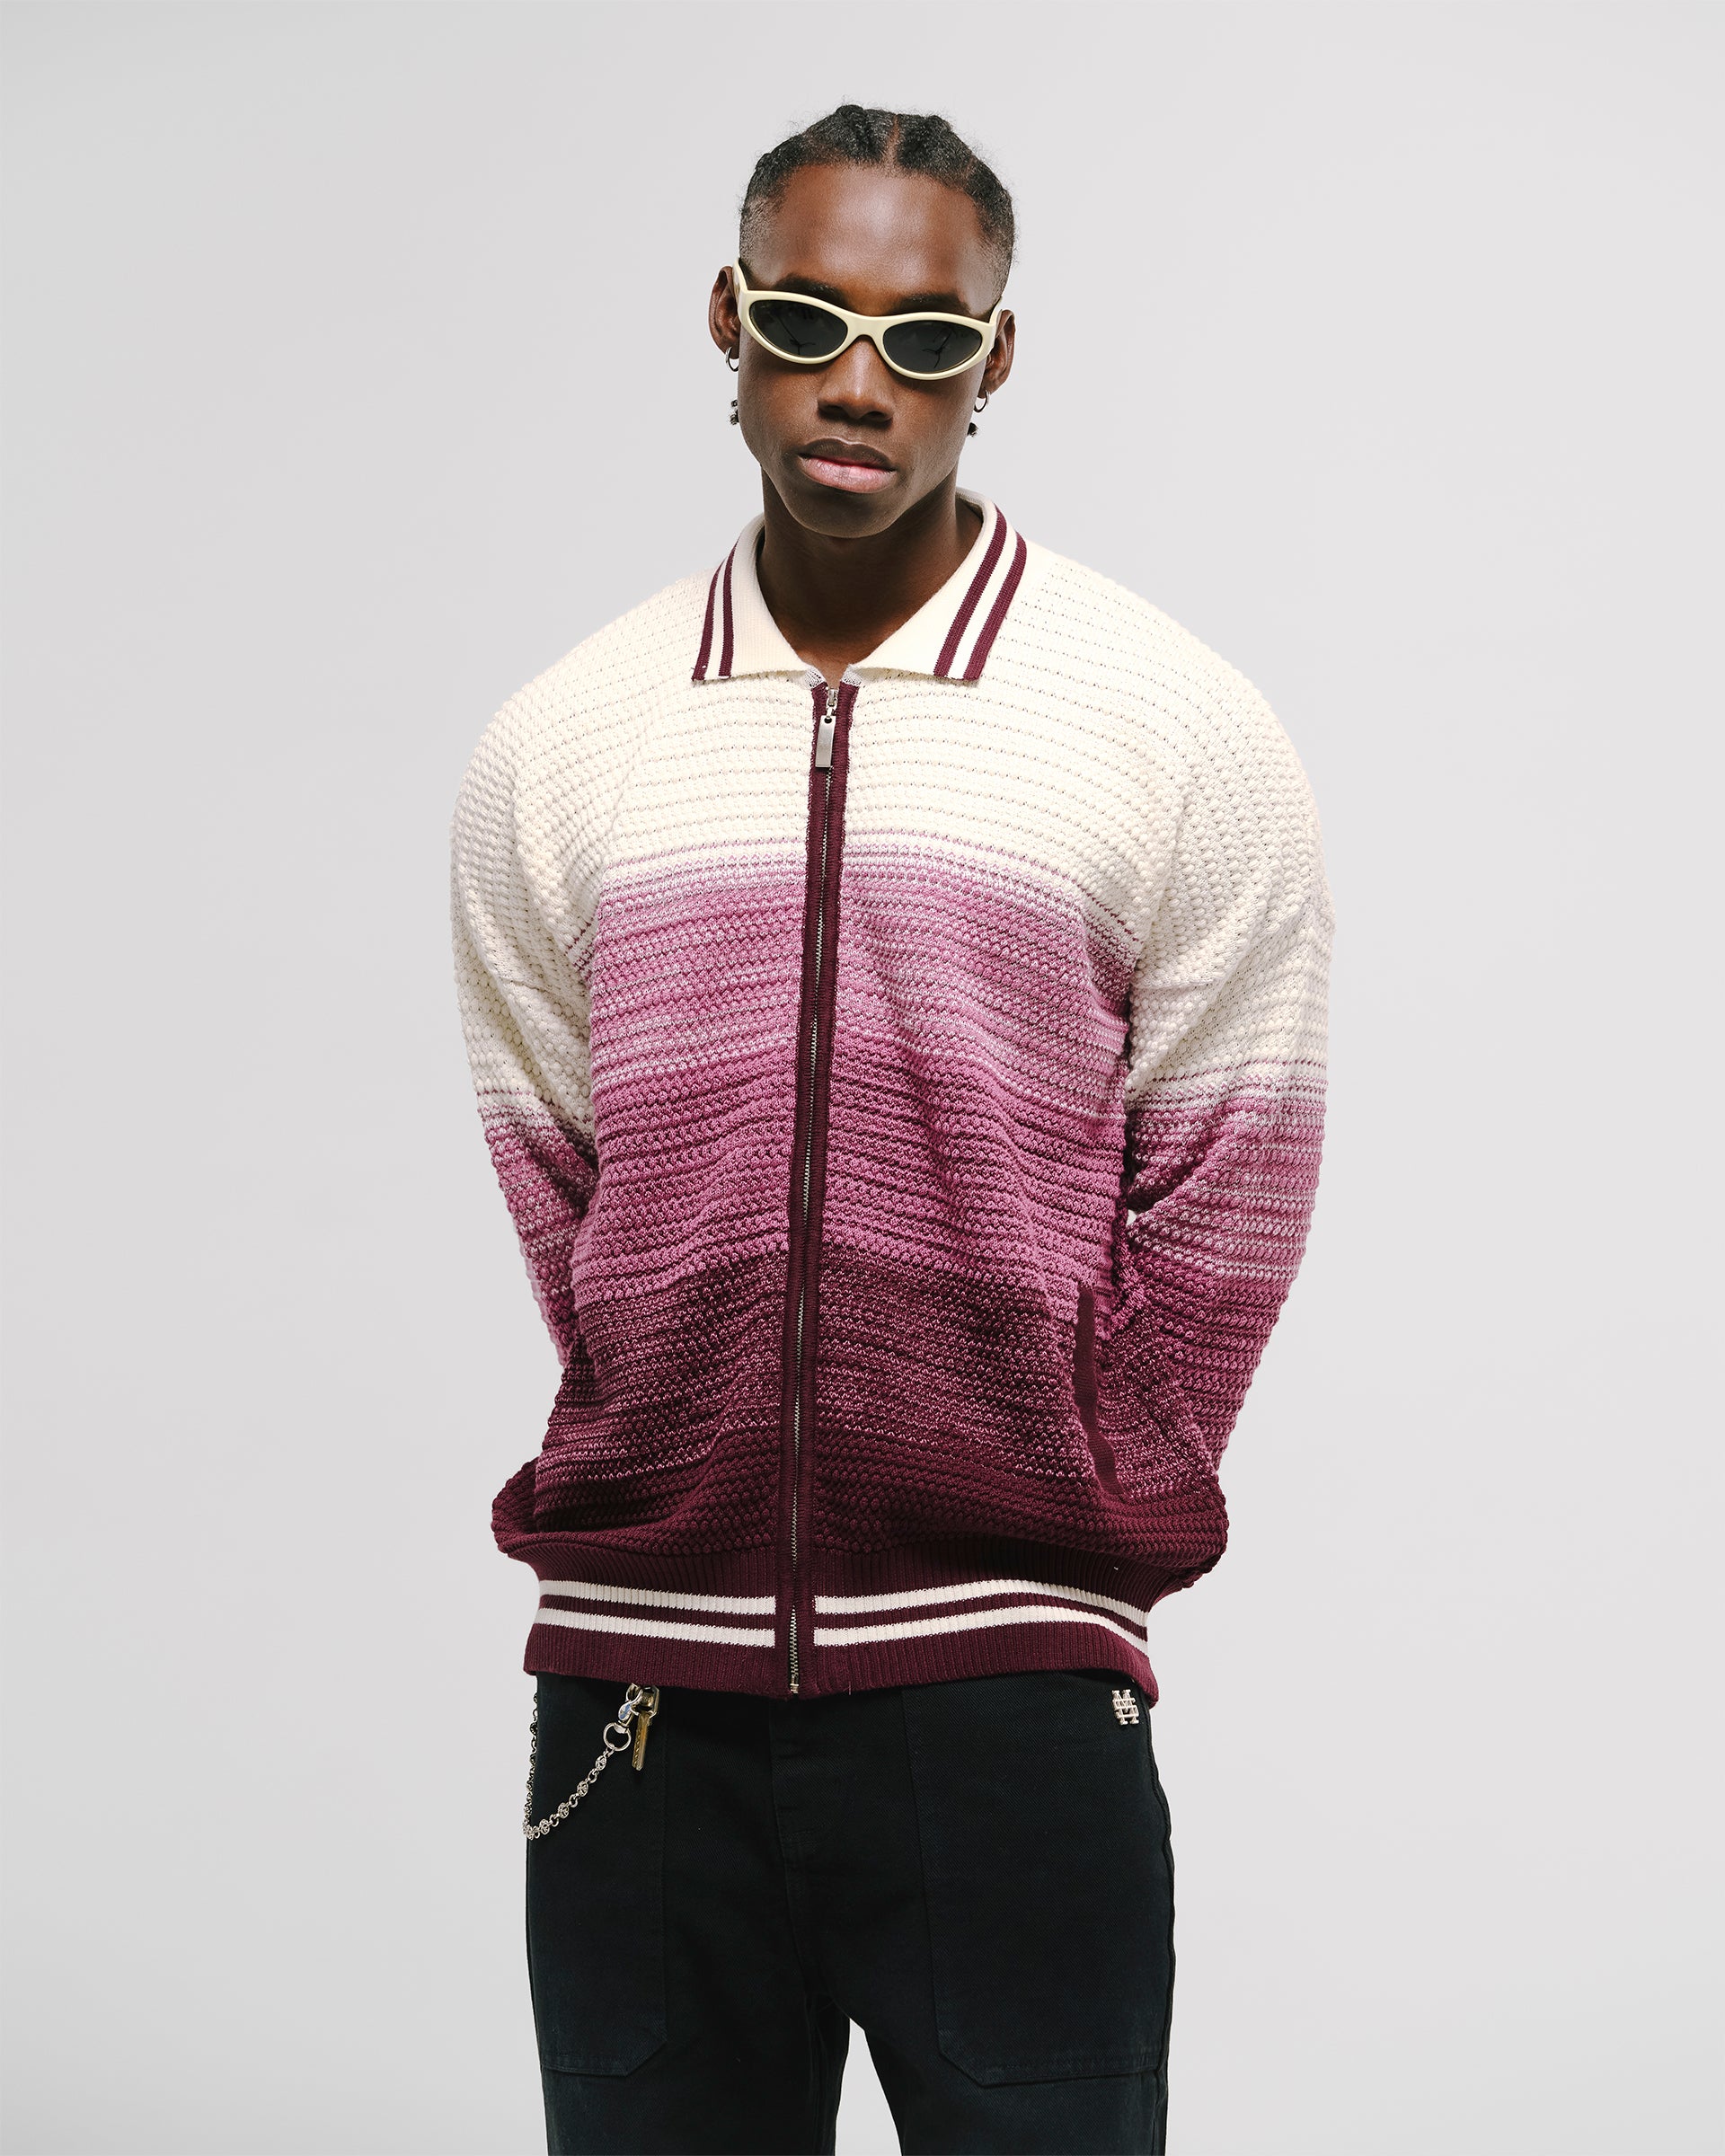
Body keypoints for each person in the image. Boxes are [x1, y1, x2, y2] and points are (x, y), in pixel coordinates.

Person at [451, 103, 1331, 2156]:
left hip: (1010, 1710)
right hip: (642, 1715)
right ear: (728, 320)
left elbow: (1233, 1188)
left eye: (926, 339)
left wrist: (1068, 1487)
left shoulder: (1169, 727)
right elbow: (565, 1186)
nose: (862, 382)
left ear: (994, 359)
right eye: (807, 320)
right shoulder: (564, 746)